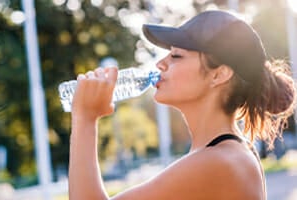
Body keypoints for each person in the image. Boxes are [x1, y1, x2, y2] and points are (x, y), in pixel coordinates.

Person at [68, 11, 296, 200]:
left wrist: (85, 120)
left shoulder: (220, 162)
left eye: (176, 56)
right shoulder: (220, 154)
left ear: (219, 74)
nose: (160, 64)